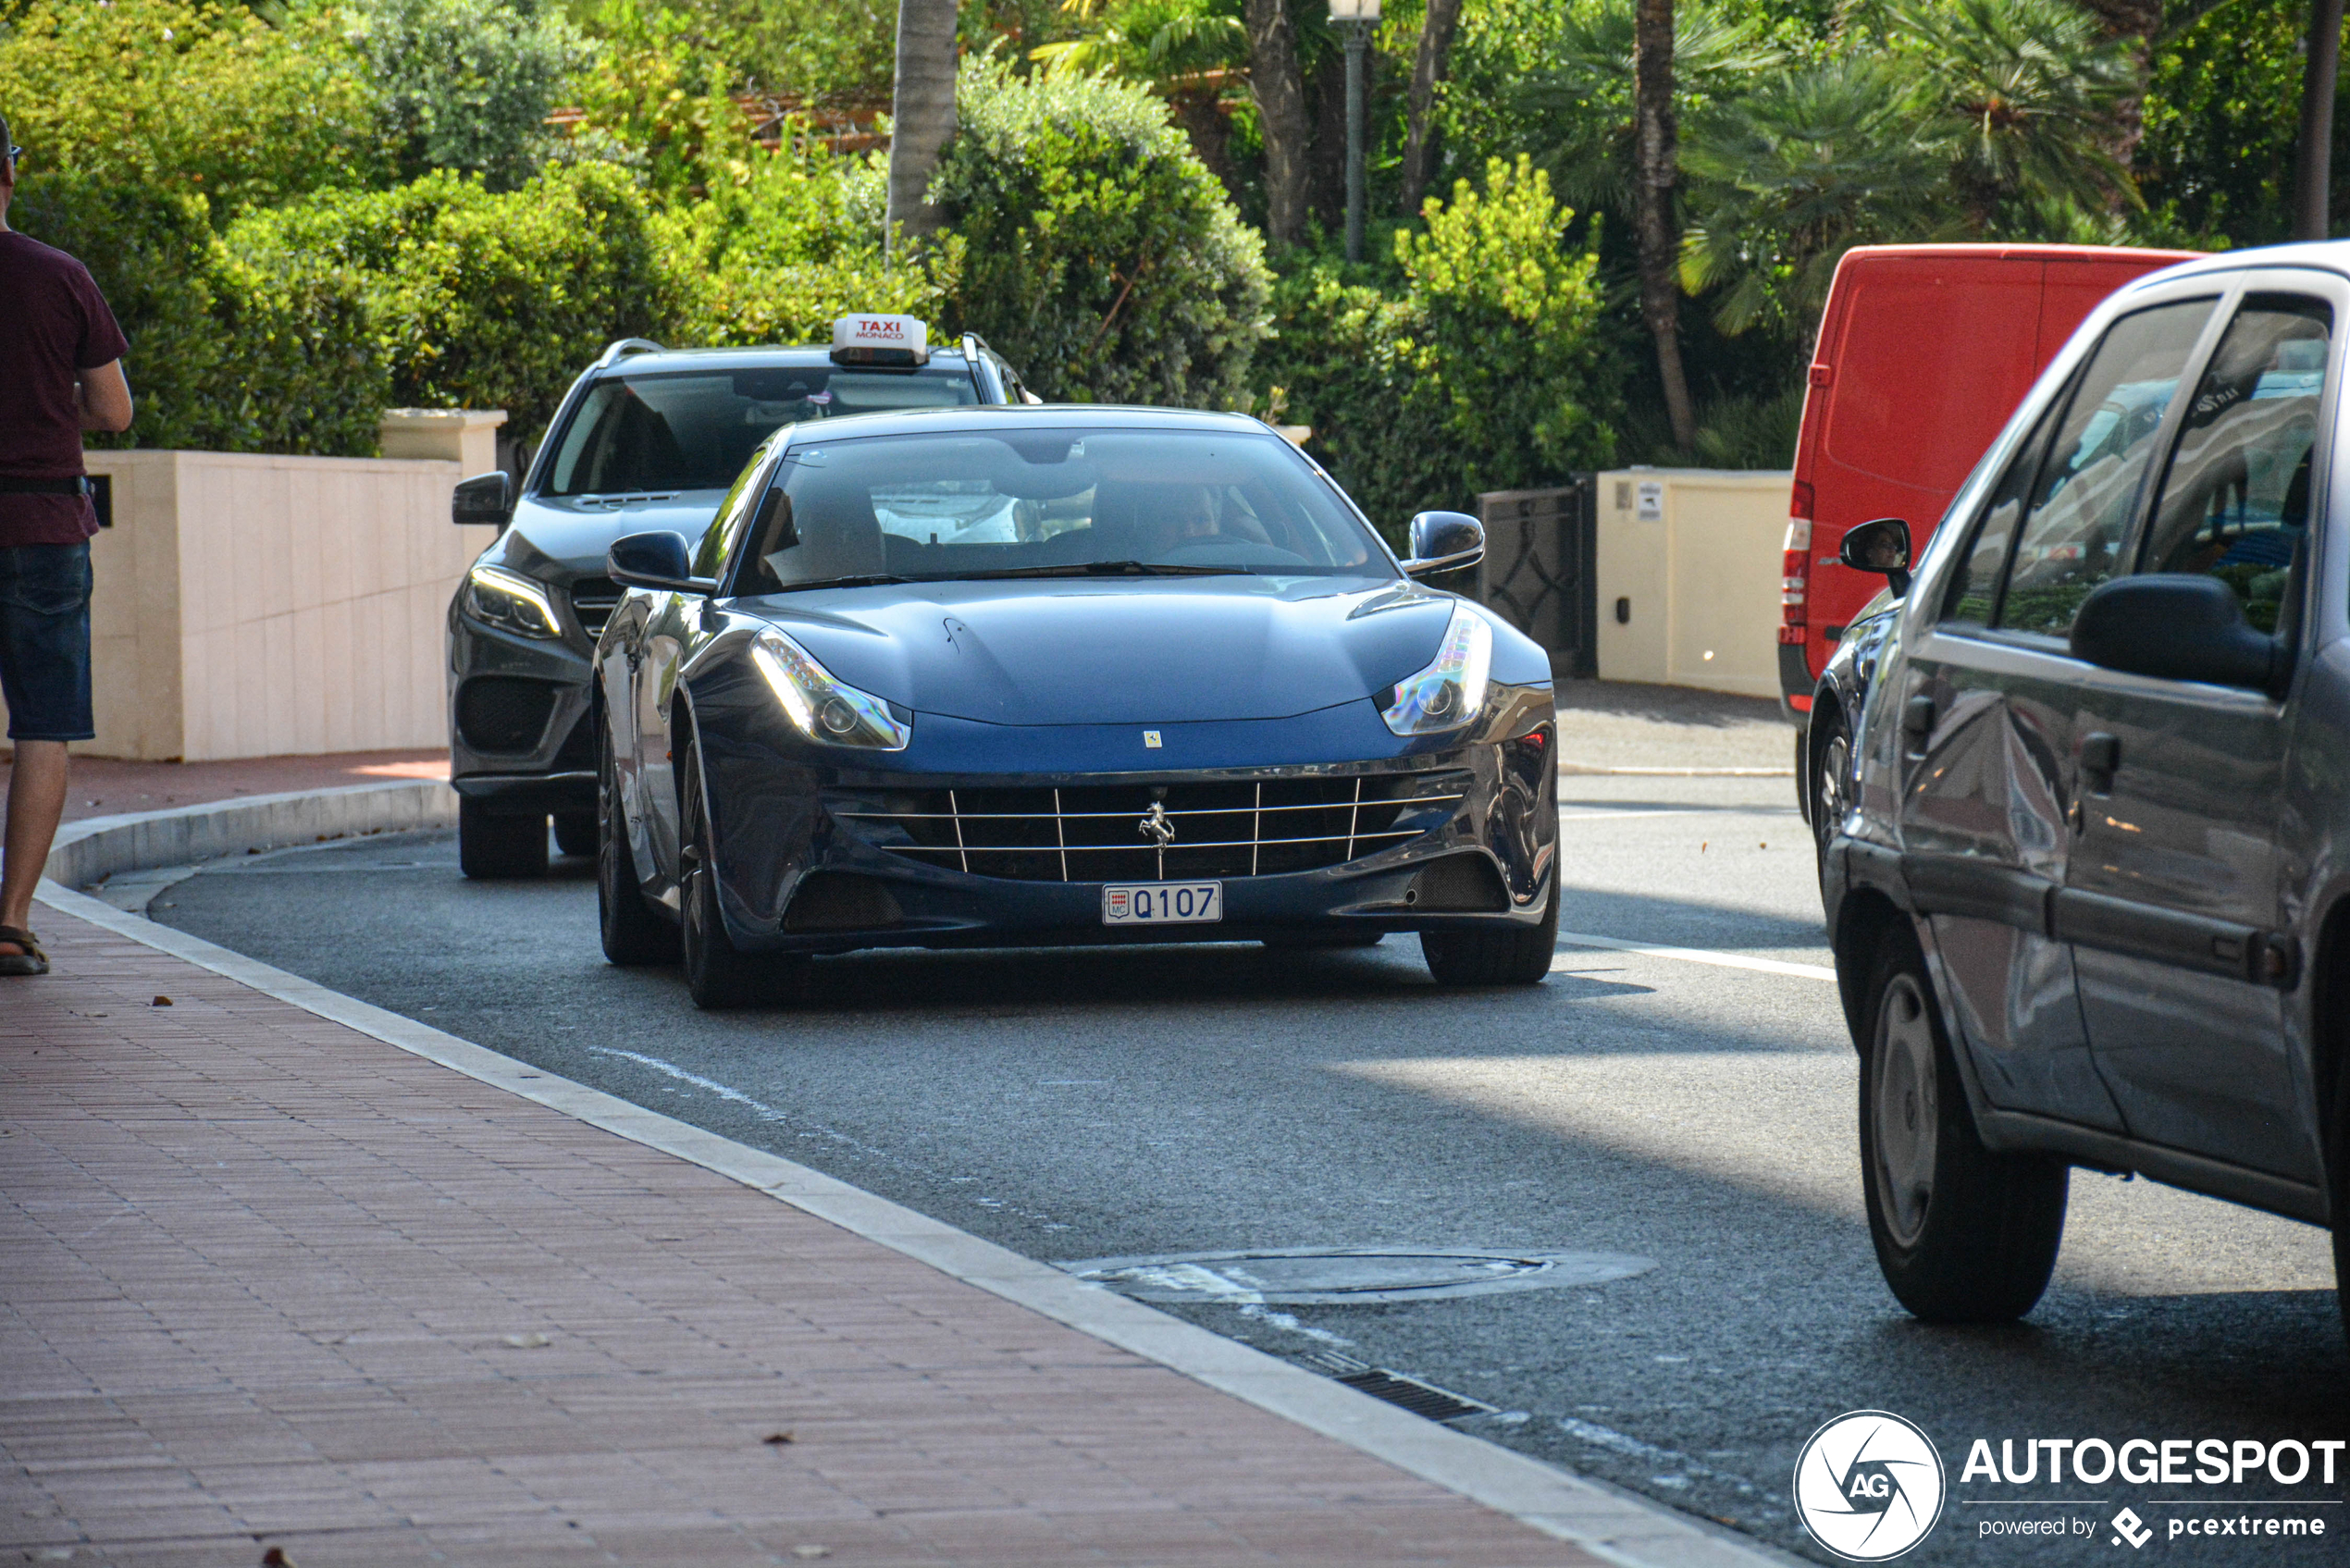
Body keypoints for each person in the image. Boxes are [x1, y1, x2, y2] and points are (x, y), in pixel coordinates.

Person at [0, 114, 136, 977]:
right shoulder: (59, 277)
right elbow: (115, 410)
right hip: (43, 525)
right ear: (9, 172)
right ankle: (10, 920)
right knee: (44, 724)